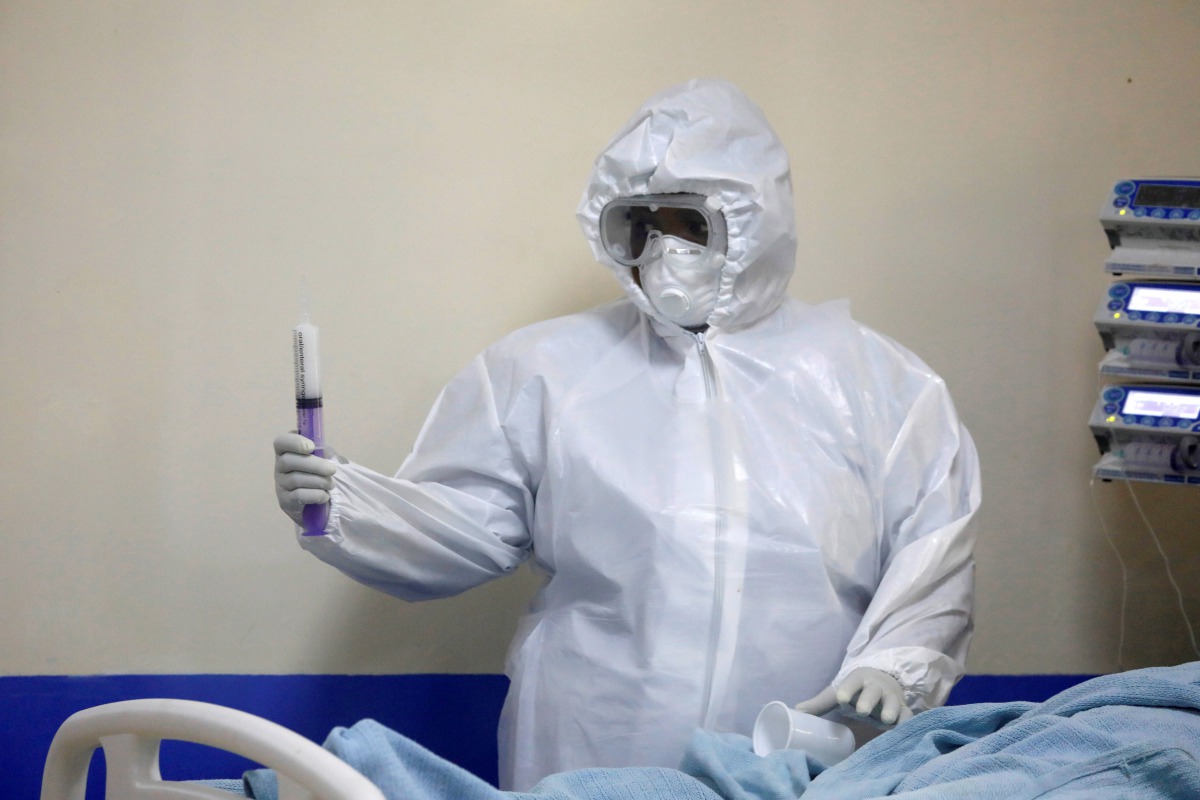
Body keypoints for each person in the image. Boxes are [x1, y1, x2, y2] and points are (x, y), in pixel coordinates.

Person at [273, 78, 981, 791]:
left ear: (753, 221)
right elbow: (464, 529)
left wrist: (895, 666)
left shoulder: (879, 385)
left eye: (690, 223)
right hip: (589, 750)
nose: (666, 250)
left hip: (800, 750)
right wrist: (346, 504)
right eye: (642, 224)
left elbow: (934, 552)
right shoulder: (547, 370)